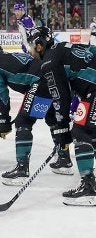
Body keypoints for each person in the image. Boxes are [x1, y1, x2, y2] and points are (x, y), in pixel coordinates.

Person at [27, 26, 96, 206]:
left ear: (39, 45)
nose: (30, 50)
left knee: (80, 131)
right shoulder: (61, 49)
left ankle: (87, 187)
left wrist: (63, 130)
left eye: (31, 46)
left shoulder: (48, 62)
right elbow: (94, 53)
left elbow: (61, 97)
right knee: (94, 131)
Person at [1, 48, 74, 185]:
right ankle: (64, 160)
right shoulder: (11, 56)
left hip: (40, 82)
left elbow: (2, 96)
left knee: (23, 122)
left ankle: (22, 169)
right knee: (52, 118)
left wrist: (3, 120)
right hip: (55, 79)